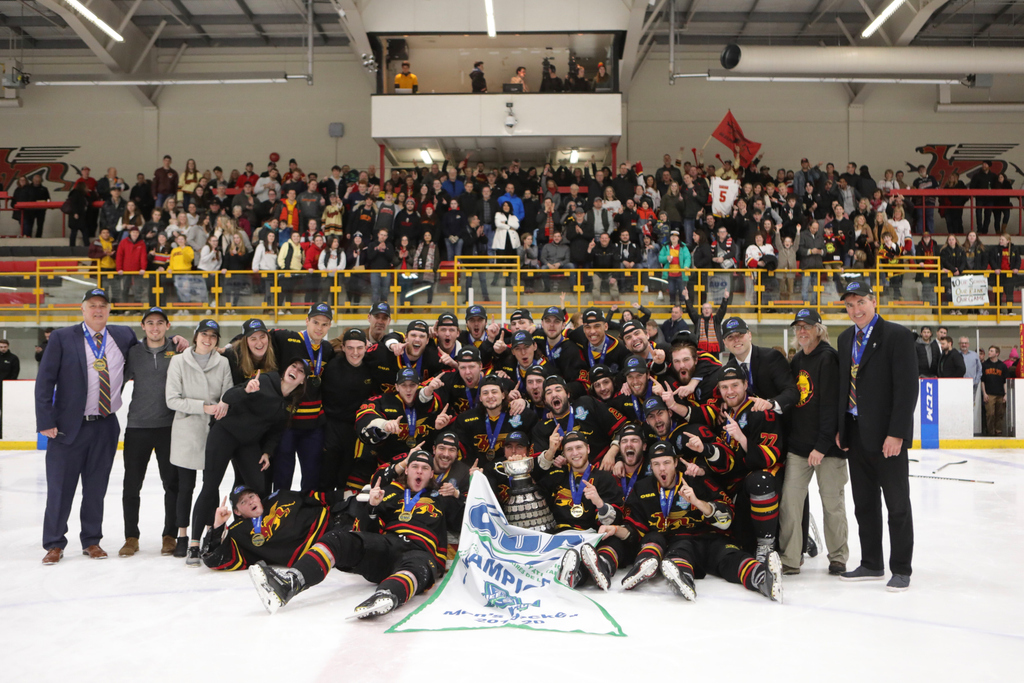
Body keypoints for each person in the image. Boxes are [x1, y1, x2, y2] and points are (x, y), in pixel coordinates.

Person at [35, 288, 184, 565]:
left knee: (96, 487)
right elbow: (44, 381)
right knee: (60, 488)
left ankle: (91, 540)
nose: (98, 310)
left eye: (103, 306)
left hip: (104, 425)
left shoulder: (121, 335)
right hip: (68, 426)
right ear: (82, 309)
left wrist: (175, 340)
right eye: (92, 305)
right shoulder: (62, 338)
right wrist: (45, 421)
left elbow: (150, 345)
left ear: (109, 310)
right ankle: (55, 543)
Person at [246, 448, 463, 618]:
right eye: (414, 466)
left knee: (416, 568)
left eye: (424, 468)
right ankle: (289, 584)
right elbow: (369, 531)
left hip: (421, 551)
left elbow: (463, 521)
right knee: (337, 539)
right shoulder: (391, 492)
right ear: (406, 470)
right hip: (388, 544)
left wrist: (458, 496)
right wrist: (371, 508)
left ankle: (386, 595)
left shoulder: (441, 496)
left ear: (431, 473)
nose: (419, 471)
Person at [615, 441, 783, 602]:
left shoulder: (696, 481)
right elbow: (635, 527)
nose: (662, 468)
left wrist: (697, 502)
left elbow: (727, 518)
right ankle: (682, 579)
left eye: (666, 462)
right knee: (680, 552)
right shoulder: (642, 488)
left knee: (730, 556)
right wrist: (617, 530)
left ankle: (763, 579)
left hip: (711, 539)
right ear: (651, 466)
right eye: (656, 464)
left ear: (675, 462)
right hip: (678, 542)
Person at [835, 280, 917, 591]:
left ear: (873, 301)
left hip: (887, 438)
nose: (855, 310)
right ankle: (871, 562)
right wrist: (841, 430)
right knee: (864, 504)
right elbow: (845, 388)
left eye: (860, 303)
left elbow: (907, 389)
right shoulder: (845, 339)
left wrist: (897, 433)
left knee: (897, 505)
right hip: (855, 435)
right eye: (850, 305)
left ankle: (901, 567)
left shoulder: (896, 336)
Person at [190, 358, 307, 564]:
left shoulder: (289, 402)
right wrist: (246, 390)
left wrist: (267, 452)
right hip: (225, 432)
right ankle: (195, 542)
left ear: (302, 380)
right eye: (292, 366)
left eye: (300, 371)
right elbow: (229, 396)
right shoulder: (264, 380)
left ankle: (245, 536)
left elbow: (277, 431)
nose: (295, 371)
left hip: (248, 443)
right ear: (284, 370)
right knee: (210, 486)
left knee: (258, 488)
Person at [779, 309, 849, 576]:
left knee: (832, 503)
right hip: (799, 447)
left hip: (827, 449)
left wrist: (821, 445)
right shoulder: (797, 360)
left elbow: (832, 406)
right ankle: (790, 558)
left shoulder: (828, 358)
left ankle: (838, 557)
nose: (801, 332)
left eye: (807, 327)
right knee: (790, 502)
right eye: (798, 328)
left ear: (818, 329)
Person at [165, 319, 233, 566]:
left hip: (213, 431)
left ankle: (208, 531)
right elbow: (172, 399)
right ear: (195, 337)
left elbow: (228, 394)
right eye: (204, 334)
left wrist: (219, 408)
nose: (208, 339)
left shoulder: (222, 363)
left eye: (213, 336)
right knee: (185, 486)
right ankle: (182, 534)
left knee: (210, 486)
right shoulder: (178, 361)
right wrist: (204, 407)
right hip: (186, 430)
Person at [119, 307, 180, 558]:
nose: (155, 327)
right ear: (142, 327)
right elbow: (116, 383)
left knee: (172, 484)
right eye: (150, 323)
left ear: (167, 325)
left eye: (159, 323)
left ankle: (170, 535)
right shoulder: (133, 353)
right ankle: (131, 537)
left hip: (169, 428)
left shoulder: (178, 351)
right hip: (137, 427)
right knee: (131, 486)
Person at [682, 287, 730, 355]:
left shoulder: (716, 319)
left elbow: (722, 310)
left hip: (714, 350)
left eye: (708, 308)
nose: (706, 310)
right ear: (702, 311)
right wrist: (686, 297)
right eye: (704, 308)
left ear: (711, 310)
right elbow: (691, 310)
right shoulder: (697, 319)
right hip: (701, 350)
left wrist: (725, 299)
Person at [981, 346, 1011, 436]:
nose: (989, 352)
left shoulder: (1002, 366)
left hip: (1000, 393)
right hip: (989, 394)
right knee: (990, 414)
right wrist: (984, 393)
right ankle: (991, 431)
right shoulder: (985, 365)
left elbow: (1005, 381)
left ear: (997, 353)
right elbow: (982, 381)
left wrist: (1006, 394)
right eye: (989, 350)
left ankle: (998, 431)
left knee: (1000, 414)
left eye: (991, 351)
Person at [0, 337, 20, 438]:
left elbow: (14, 373)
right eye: (1, 347)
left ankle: (2, 432)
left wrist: (9, 384)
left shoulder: (13, 358)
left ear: (8, 347)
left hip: (6, 389)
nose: (3, 348)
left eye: (5, 347)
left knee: (4, 411)